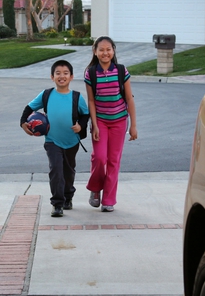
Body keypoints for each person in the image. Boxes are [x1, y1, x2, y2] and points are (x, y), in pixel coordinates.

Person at [20, 59, 89, 218]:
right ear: (52, 77)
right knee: (56, 170)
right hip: (52, 141)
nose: (61, 76)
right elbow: (29, 108)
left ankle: (68, 197)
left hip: (72, 141)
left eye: (65, 73)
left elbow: (86, 115)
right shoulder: (46, 95)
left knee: (68, 171)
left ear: (71, 77)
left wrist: (81, 126)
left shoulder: (77, 97)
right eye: (58, 73)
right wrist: (23, 123)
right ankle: (57, 204)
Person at [84, 36, 137, 212]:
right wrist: (95, 124)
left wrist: (133, 126)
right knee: (99, 158)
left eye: (108, 49)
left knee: (114, 160)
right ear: (95, 52)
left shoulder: (121, 70)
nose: (105, 53)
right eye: (101, 49)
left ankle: (108, 200)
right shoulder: (91, 72)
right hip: (100, 122)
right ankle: (95, 188)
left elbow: (129, 98)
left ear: (113, 51)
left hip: (119, 121)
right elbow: (91, 101)